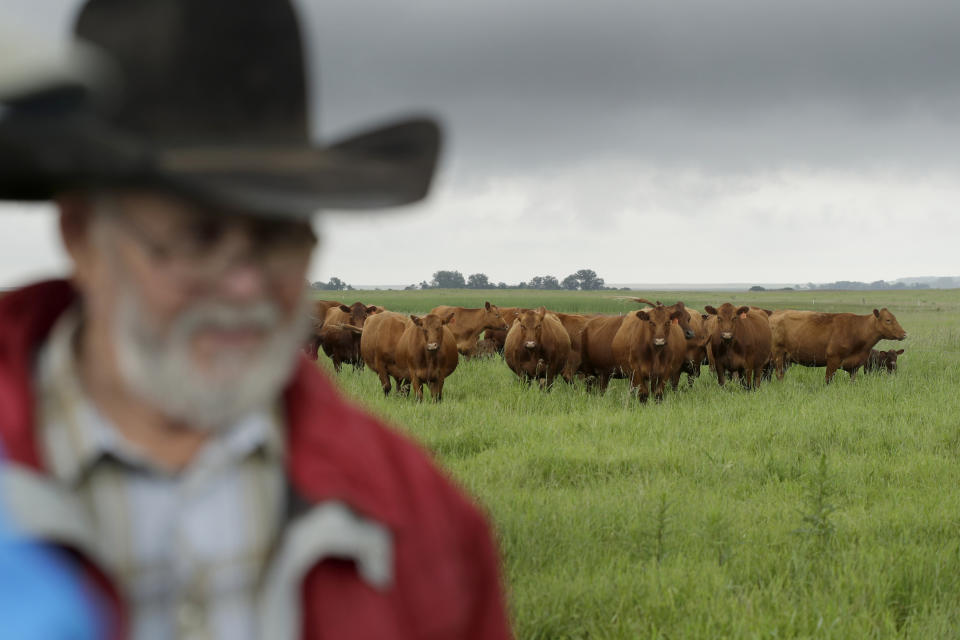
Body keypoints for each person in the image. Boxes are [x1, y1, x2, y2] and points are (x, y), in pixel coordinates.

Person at [0, 1, 512, 638]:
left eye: (279, 236)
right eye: (197, 235)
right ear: (81, 236)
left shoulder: (423, 523)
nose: (245, 286)